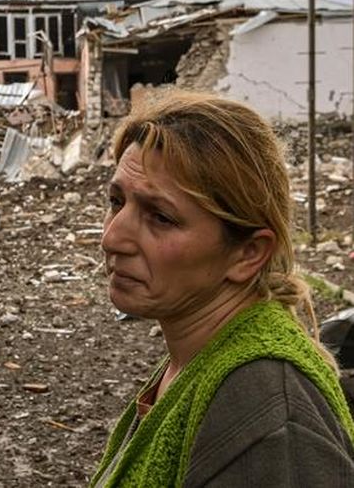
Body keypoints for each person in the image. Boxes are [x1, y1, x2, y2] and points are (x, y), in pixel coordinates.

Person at [90, 90, 354, 487]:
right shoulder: (197, 363)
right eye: (116, 201)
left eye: (160, 217)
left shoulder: (265, 407)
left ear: (248, 253)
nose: (112, 238)